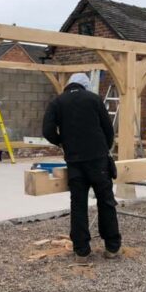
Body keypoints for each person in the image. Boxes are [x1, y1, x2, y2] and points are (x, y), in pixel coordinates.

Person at [42, 72, 122, 261]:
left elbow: (47, 131)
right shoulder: (94, 99)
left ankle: (82, 251)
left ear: (69, 85)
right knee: (106, 201)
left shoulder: (58, 102)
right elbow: (108, 130)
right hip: (98, 160)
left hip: (75, 161)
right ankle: (112, 247)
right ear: (85, 86)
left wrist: (62, 142)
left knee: (78, 204)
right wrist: (105, 148)